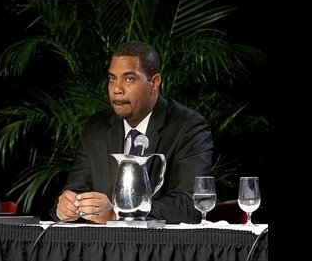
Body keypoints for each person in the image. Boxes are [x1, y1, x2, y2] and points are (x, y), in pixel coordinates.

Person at [55, 40, 213, 224]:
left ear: (154, 82)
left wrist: (119, 214)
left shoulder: (188, 127)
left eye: (129, 79)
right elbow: (76, 190)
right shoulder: (96, 127)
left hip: (159, 248)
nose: (116, 89)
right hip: (102, 248)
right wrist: (67, 206)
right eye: (112, 78)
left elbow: (189, 205)